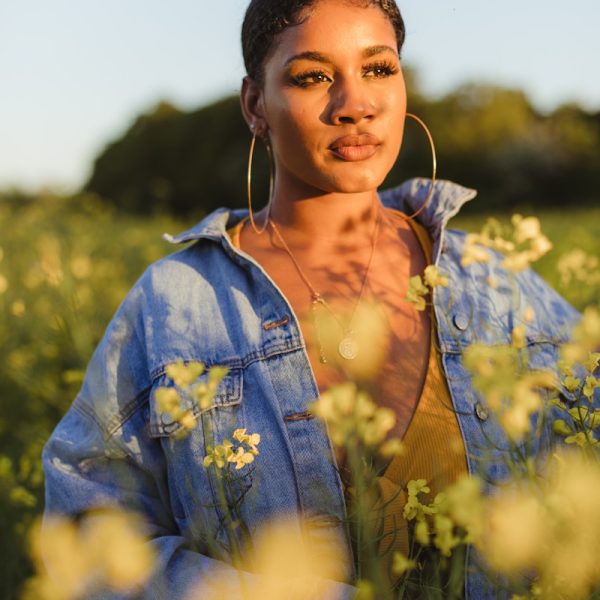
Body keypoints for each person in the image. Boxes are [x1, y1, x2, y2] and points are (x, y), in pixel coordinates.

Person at [43, 1, 579, 598]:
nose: (355, 104)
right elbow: (90, 536)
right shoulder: (174, 304)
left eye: (378, 69)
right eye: (313, 76)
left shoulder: (492, 278)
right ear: (255, 105)